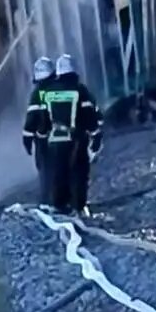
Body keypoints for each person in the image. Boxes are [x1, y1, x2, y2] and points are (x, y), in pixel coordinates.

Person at [42, 54, 104, 216]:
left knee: (59, 172)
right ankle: (78, 206)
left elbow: (43, 117)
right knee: (79, 172)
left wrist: (41, 136)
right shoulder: (80, 90)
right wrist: (96, 134)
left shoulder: (48, 92)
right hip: (76, 139)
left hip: (55, 139)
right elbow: (88, 114)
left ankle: (59, 205)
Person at [23, 56, 55, 208]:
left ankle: (48, 202)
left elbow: (32, 119)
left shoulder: (38, 93)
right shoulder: (61, 88)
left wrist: (27, 139)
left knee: (45, 171)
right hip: (66, 137)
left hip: (44, 140)